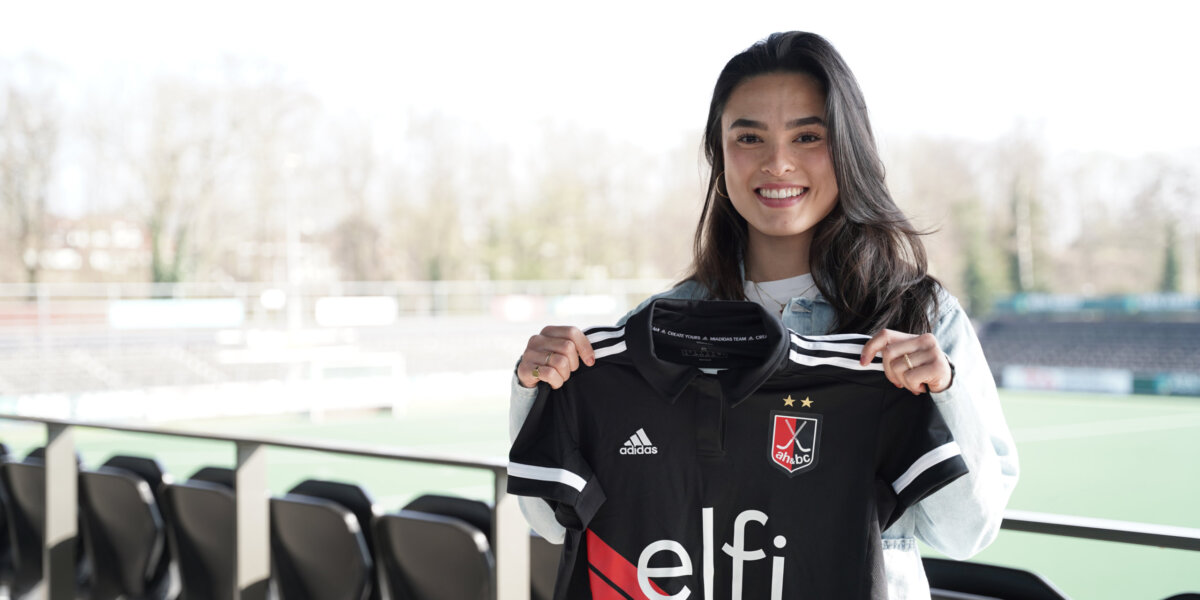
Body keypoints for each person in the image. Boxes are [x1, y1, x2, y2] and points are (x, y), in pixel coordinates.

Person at [509, 31, 1018, 599]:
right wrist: (533, 388)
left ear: (849, 147)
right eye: (749, 137)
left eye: (808, 136)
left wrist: (943, 390)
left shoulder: (921, 318)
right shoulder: (656, 328)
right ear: (719, 154)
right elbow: (552, 520)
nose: (778, 163)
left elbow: (967, 532)